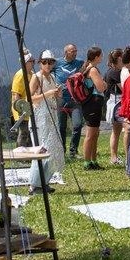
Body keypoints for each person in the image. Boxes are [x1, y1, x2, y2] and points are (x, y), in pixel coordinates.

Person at [28, 49, 65, 193]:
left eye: (50, 62)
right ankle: (34, 184)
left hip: (52, 116)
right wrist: (49, 93)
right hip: (39, 118)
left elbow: (55, 97)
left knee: (54, 149)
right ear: (40, 63)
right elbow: (30, 98)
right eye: (45, 62)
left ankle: (44, 181)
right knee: (40, 149)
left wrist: (58, 94)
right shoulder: (36, 77)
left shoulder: (53, 78)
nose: (48, 65)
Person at [73, 46, 108, 170]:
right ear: (96, 57)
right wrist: (104, 84)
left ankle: (93, 160)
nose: (102, 57)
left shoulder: (89, 68)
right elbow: (101, 87)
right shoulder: (92, 70)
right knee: (90, 134)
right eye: (101, 55)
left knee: (95, 134)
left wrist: (103, 84)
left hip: (93, 104)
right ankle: (87, 162)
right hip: (92, 104)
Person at [53, 43, 84, 158]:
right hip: (60, 99)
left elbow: (86, 68)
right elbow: (49, 74)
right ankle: (62, 151)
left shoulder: (80, 62)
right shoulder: (57, 63)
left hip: (75, 99)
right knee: (61, 127)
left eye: (76, 51)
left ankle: (73, 151)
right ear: (66, 52)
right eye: (72, 51)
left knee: (77, 125)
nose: (75, 53)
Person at [104, 48, 125, 165]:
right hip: (118, 102)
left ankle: (114, 157)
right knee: (123, 129)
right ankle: (114, 156)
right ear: (118, 59)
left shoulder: (110, 71)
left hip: (114, 101)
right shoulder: (115, 72)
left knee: (116, 131)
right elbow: (124, 88)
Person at [10, 49, 34, 147]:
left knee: (30, 133)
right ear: (25, 62)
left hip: (28, 107)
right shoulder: (20, 75)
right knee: (23, 132)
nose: (33, 63)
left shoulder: (31, 74)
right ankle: (20, 152)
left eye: (33, 61)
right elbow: (16, 94)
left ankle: (28, 152)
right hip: (21, 109)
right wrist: (20, 111)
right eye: (31, 61)